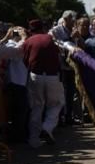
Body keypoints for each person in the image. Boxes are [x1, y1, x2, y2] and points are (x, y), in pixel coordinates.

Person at [21, 19, 65, 149]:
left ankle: (34, 140)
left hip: (35, 75)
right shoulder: (50, 38)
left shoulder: (28, 41)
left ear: (30, 30)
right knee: (56, 104)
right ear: (43, 28)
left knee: (37, 107)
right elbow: (58, 56)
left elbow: (25, 61)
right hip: (52, 76)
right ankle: (47, 127)